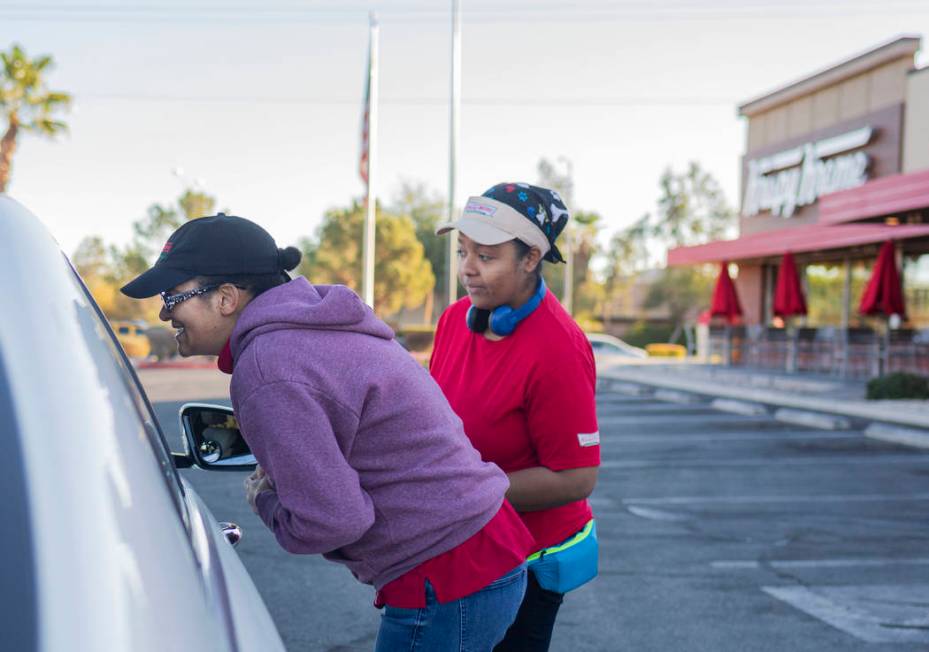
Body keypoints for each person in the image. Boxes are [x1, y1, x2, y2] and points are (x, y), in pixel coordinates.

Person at [120, 212, 536, 651]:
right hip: (487, 548)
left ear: (225, 298)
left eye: (173, 296)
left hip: (447, 577)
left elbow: (333, 519)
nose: (165, 313)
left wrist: (266, 500)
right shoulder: (316, 327)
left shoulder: (268, 367)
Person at [430, 183, 601, 651]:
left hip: (525, 562)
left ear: (530, 259)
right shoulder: (454, 319)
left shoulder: (559, 347)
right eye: (464, 251)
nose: (467, 268)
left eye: (486, 256)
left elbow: (577, 477)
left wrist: (465, 491)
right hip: (463, 545)